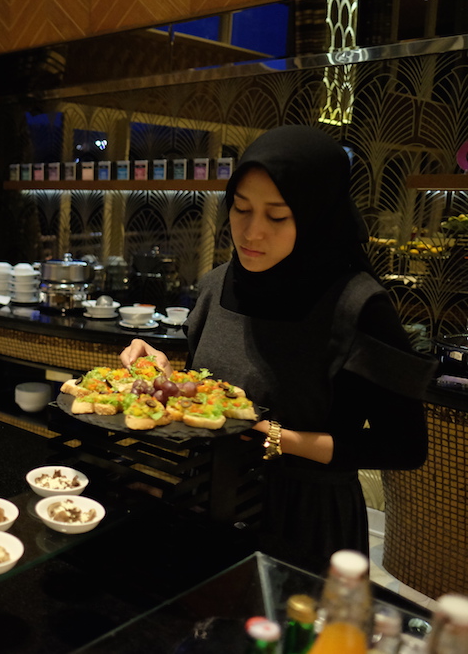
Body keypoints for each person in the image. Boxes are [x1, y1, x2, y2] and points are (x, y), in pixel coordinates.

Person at [120, 125, 435, 572]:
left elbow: (404, 446)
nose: (251, 232)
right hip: (208, 494)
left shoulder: (358, 306)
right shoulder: (217, 285)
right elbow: (214, 391)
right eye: (241, 208)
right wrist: (162, 373)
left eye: (277, 216)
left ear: (315, 215)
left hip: (302, 516)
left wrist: (276, 438)